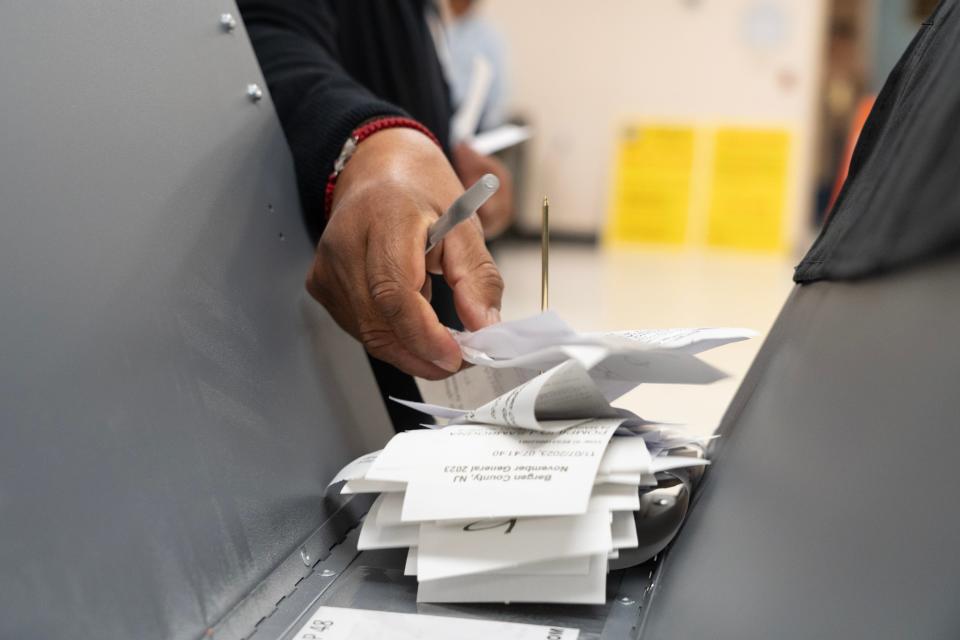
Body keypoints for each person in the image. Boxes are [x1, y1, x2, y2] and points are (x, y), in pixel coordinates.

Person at [237, 0, 515, 427]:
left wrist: (452, 165)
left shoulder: (422, 17)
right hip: (321, 369)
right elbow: (269, 46)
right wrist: (373, 145)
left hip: (425, 372)